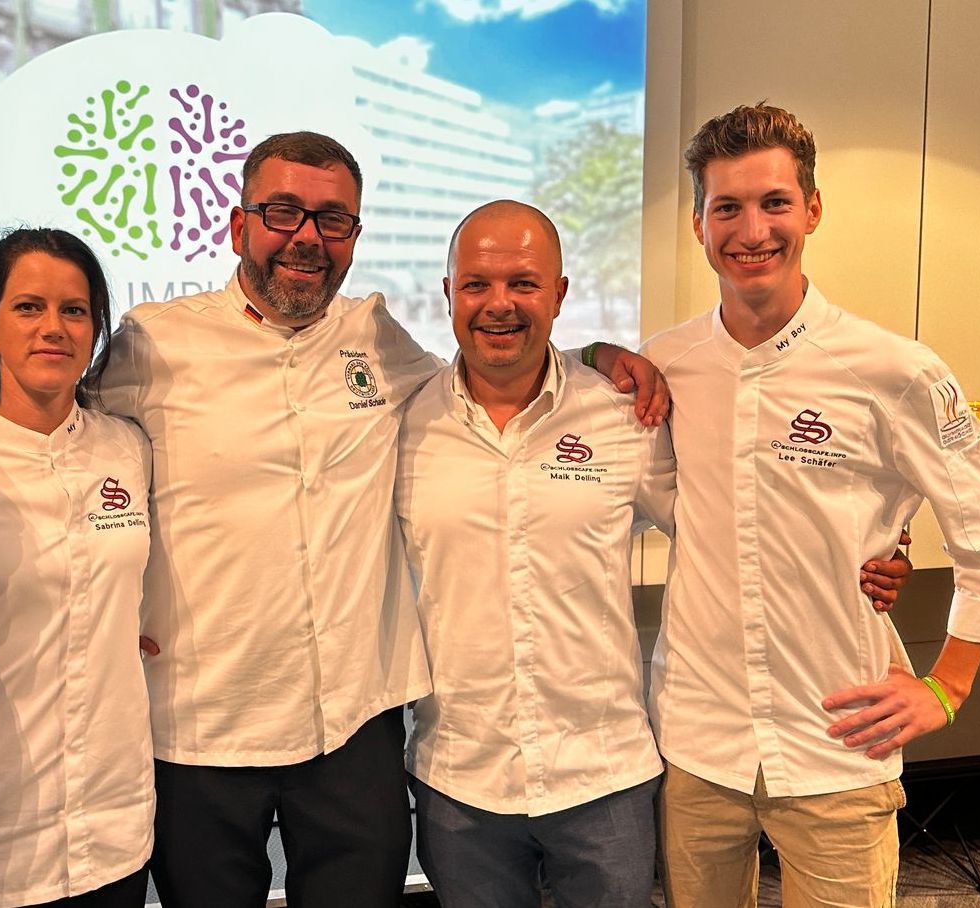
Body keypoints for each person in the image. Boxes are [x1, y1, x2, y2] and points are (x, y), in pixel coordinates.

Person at [97, 132, 667, 908]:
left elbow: (488, 368)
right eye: (283, 212)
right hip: (201, 723)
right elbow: (73, 447)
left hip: (353, 726)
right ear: (238, 227)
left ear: (355, 236)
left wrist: (594, 355)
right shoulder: (154, 342)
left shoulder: (375, 338)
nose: (307, 236)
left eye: (332, 219)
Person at [396, 201, 912, 907]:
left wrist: (877, 541)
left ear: (559, 294)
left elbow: (735, 519)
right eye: (477, 284)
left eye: (524, 283)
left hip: (603, 775)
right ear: (448, 291)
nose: (500, 304)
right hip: (460, 775)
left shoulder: (622, 413)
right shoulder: (405, 421)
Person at [646, 103, 980, 906]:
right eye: (727, 207)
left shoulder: (892, 368)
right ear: (698, 223)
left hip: (836, 744)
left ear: (813, 209)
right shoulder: (667, 363)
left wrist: (948, 685)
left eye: (774, 203)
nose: (752, 230)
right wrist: (594, 351)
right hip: (699, 743)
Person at [0, 228, 154, 908]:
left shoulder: (128, 449)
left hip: (115, 824)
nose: (54, 327)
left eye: (74, 310)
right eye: (29, 308)